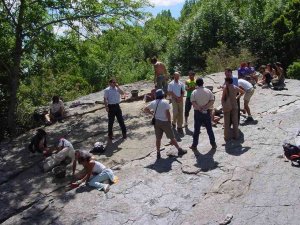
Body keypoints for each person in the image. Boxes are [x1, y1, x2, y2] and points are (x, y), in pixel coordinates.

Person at [144, 89, 187, 159]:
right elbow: (168, 113)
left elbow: (145, 109)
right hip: (165, 122)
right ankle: (179, 150)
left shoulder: (153, 102)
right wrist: (169, 122)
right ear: (162, 95)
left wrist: (152, 114)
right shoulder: (165, 102)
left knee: (158, 138)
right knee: (172, 137)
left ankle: (158, 153)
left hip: (157, 122)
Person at [189, 78, 217, 150]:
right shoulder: (208, 91)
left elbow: (193, 102)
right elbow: (212, 100)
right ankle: (213, 144)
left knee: (197, 130)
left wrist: (199, 108)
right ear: (203, 83)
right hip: (206, 111)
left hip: (198, 112)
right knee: (209, 128)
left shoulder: (194, 92)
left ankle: (194, 145)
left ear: (196, 84)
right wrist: (205, 107)